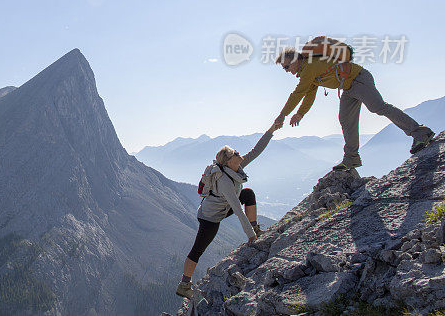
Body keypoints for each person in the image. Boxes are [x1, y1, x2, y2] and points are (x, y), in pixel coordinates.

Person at [274, 44, 435, 171]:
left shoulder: (309, 66)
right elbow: (309, 94)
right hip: (348, 87)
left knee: (378, 107)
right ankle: (351, 158)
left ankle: (420, 132)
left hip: (358, 79)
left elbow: (299, 92)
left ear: (295, 60)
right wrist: (300, 114)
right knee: (345, 119)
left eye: (286, 67)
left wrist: (282, 115)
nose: (286, 71)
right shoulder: (306, 72)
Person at [175, 125, 277, 298]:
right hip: (210, 217)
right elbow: (238, 209)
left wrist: (271, 131)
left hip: (222, 208)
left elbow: (255, 151)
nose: (239, 154)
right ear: (228, 161)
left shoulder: (235, 165)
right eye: (235, 153)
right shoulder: (225, 182)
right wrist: (250, 235)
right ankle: (184, 285)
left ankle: (256, 228)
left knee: (248, 194)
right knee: (198, 249)